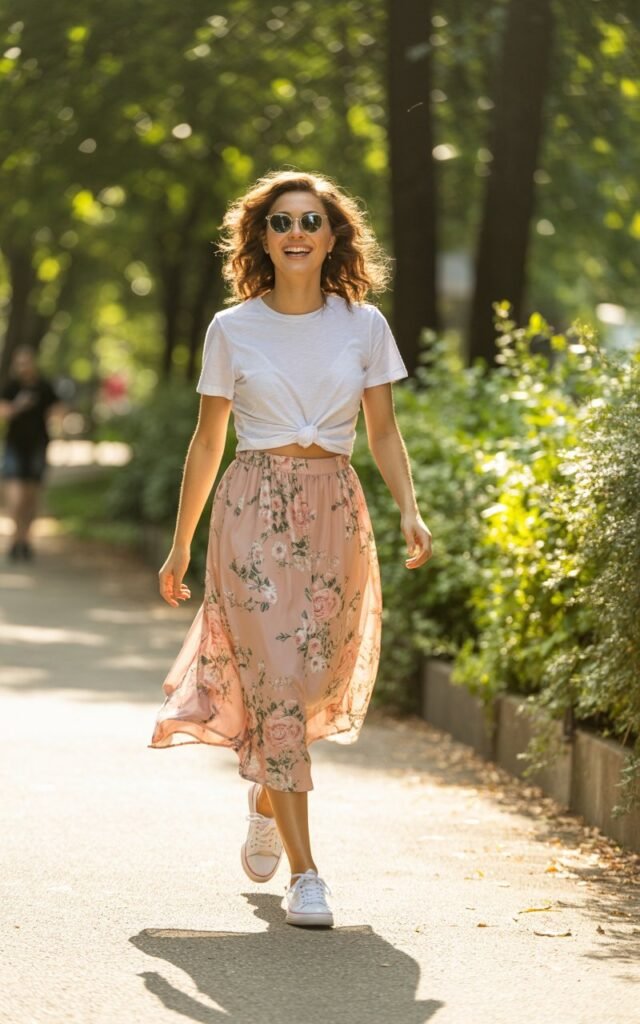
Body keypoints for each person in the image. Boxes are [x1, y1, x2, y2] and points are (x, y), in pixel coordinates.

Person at [150, 170, 433, 928]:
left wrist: (410, 510)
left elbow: (383, 431)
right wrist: (181, 545)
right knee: (275, 682)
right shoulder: (230, 328)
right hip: (251, 512)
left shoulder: (364, 326)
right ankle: (309, 877)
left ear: (334, 235)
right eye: (281, 222)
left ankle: (270, 798)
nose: (297, 231)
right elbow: (208, 441)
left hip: (335, 512)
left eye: (312, 220)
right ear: (262, 239)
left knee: (310, 687)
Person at [0, 345, 63, 561]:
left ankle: (26, 540)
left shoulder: (44, 387)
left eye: (26, 362)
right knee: (16, 498)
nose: (23, 367)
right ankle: (15, 539)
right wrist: (18, 405)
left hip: (38, 446)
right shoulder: (11, 387)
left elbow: (58, 409)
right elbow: (3, 412)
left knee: (31, 497)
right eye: (19, 363)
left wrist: (58, 417)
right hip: (14, 447)